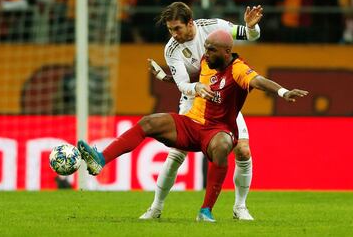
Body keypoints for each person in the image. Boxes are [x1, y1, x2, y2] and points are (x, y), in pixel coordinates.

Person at [77, 29, 308, 222]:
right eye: (205, 48)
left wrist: (283, 91)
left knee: (224, 145)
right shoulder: (208, 62)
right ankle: (101, 160)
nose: (205, 53)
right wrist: (164, 78)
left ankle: (206, 211)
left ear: (227, 52)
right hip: (191, 122)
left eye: (211, 49)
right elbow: (188, 79)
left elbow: (258, 80)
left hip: (217, 130)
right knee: (149, 122)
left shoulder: (238, 69)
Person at [141, 2, 263, 221]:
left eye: (177, 28)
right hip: (192, 100)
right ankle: (156, 207)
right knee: (177, 153)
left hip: (223, 98)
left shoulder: (214, 26)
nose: (173, 35)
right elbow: (183, 84)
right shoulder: (171, 49)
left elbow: (249, 34)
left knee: (243, 150)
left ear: (190, 23)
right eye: (169, 30)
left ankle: (240, 207)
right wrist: (193, 87)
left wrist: (251, 27)